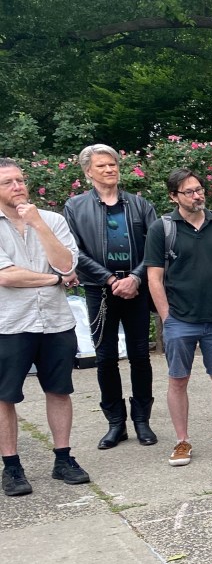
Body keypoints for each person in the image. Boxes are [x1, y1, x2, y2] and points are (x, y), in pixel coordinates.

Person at [144, 169, 212, 468]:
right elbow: (154, 277)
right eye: (189, 192)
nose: (197, 195)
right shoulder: (161, 229)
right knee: (178, 380)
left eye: (199, 189)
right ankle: (182, 441)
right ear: (173, 196)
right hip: (180, 319)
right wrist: (167, 317)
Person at [0, 158, 91, 496]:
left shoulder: (52, 220)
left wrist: (38, 224)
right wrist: (55, 279)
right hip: (9, 324)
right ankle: (11, 467)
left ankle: (63, 459)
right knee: (4, 396)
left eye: (20, 180)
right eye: (8, 182)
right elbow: (6, 277)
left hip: (55, 322)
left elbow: (68, 263)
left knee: (59, 390)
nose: (17, 186)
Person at [63, 143, 159, 449]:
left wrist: (135, 277)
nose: (110, 169)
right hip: (99, 292)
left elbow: (156, 246)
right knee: (105, 358)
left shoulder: (139, 205)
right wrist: (107, 278)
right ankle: (115, 424)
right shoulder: (75, 207)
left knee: (140, 355)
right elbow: (72, 250)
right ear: (88, 171)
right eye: (102, 165)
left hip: (137, 289)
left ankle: (142, 420)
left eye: (113, 164)